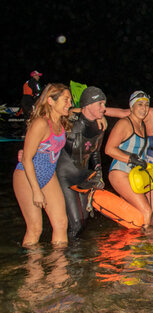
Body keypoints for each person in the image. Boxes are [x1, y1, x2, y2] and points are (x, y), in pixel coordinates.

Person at [13, 83, 71, 247]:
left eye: (70, 100)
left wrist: (101, 116)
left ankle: (59, 270)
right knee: (35, 228)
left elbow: (83, 112)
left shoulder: (61, 122)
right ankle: (33, 271)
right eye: (66, 100)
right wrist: (36, 191)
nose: (69, 104)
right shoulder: (41, 123)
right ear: (51, 101)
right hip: (27, 176)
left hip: (48, 175)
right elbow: (26, 158)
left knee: (61, 223)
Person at [56, 86, 106, 238]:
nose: (104, 108)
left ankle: (79, 259)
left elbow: (95, 152)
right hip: (65, 177)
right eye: (100, 104)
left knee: (83, 222)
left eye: (104, 104)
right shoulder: (68, 124)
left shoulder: (100, 126)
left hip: (83, 176)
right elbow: (49, 139)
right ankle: (65, 258)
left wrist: (98, 173)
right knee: (76, 224)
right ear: (87, 105)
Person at [105, 91, 153, 227]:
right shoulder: (124, 123)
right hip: (120, 172)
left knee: (130, 215)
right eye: (140, 104)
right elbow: (109, 149)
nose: (144, 108)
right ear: (131, 107)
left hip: (136, 177)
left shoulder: (143, 126)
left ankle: (130, 244)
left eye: (147, 105)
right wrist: (131, 159)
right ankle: (147, 244)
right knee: (147, 210)